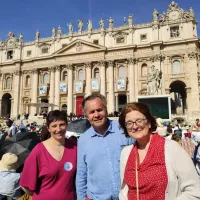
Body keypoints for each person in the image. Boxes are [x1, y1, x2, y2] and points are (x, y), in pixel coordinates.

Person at [118, 102, 200, 200]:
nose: (134, 126)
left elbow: (194, 192)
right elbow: (125, 190)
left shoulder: (172, 149)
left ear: (148, 122)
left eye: (139, 121)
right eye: (129, 123)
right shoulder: (126, 153)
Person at [76, 94, 133, 200]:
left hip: (127, 196)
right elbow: (81, 173)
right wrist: (81, 198)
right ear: (86, 115)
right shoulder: (83, 140)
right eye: (92, 112)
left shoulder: (124, 130)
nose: (96, 115)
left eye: (99, 110)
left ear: (106, 110)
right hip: (98, 197)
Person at [20, 110, 77, 200]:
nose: (58, 129)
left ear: (67, 125)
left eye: (62, 124)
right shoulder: (38, 151)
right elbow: (26, 186)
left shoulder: (75, 148)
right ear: (48, 128)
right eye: (54, 126)